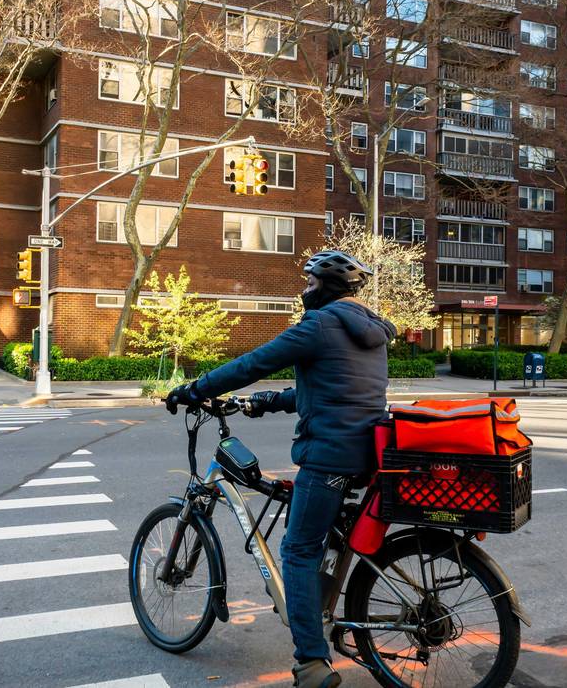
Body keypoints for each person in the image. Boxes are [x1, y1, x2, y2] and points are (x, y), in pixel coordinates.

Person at [167, 250, 396, 688]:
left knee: (297, 550)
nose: (305, 289)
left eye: (310, 283)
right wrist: (270, 401)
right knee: (317, 533)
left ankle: (311, 662)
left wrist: (195, 389)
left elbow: (252, 364)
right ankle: (321, 608)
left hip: (329, 455)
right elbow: (332, 389)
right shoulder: (367, 331)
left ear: (327, 288)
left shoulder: (319, 325)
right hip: (363, 451)